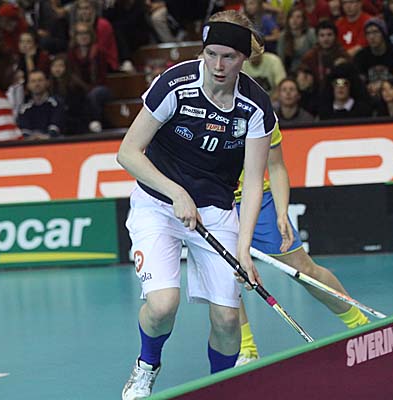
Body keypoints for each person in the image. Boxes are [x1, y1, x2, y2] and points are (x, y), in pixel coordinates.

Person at [118, 10, 273, 399]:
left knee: (227, 319)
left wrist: (244, 250)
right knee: (162, 305)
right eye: (211, 54)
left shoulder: (255, 106)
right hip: (157, 204)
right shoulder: (175, 84)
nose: (218, 66)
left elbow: (255, 182)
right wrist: (176, 192)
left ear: (243, 58)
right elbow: (128, 152)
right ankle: (146, 367)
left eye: (229, 57)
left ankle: (219, 387)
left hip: (216, 212)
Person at [233, 121, 371, 365]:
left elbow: (276, 166)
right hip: (214, 202)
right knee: (225, 277)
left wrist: (281, 212)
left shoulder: (260, 111)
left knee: (304, 269)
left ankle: (360, 324)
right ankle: (246, 349)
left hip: (260, 201)